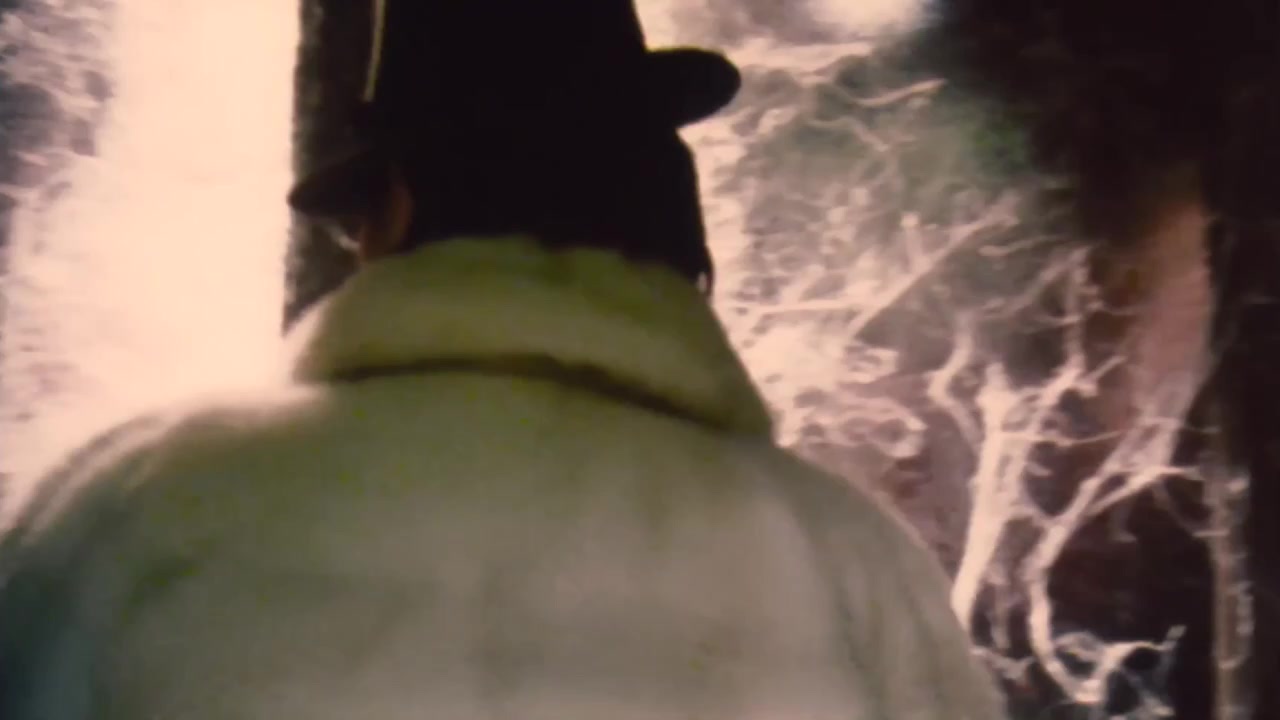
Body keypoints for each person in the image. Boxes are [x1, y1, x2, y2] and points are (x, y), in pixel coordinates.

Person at [0, 1, 1007, 717]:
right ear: (666, 211)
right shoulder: (847, 564)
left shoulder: (141, 507)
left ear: (398, 209)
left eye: (359, 216)